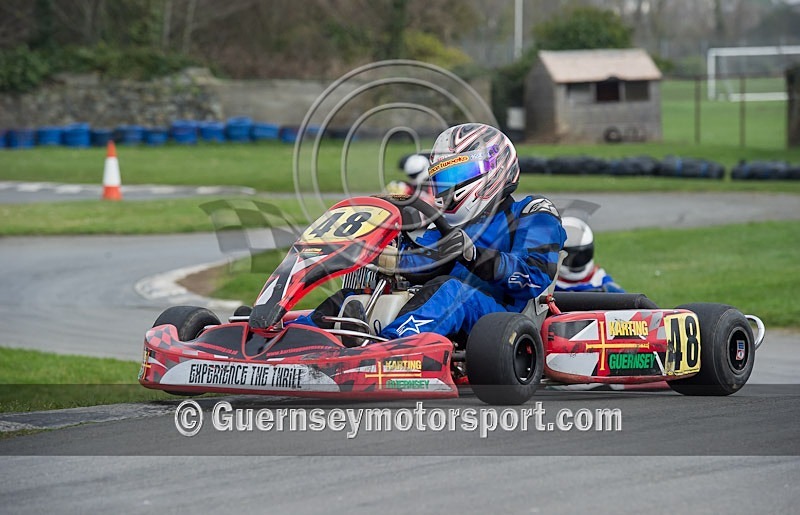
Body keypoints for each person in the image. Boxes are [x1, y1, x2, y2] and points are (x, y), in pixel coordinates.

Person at [554, 216, 624, 293]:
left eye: (581, 255)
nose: (577, 260)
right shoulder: (547, 287)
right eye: (569, 257)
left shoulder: (605, 285)